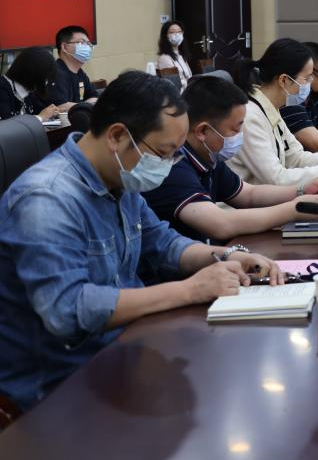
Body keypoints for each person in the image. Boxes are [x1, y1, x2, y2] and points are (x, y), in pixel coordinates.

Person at [0, 71, 283, 410]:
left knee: (235, 379)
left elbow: (163, 243)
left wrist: (227, 256)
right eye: (163, 152)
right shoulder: (46, 199)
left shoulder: (118, 178)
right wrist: (190, 290)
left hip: (126, 351)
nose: (168, 165)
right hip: (60, 387)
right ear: (117, 136)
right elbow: (68, 309)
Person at [142, 76, 318, 243]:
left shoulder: (209, 158)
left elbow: (248, 195)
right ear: (203, 131)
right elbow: (220, 224)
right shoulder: (174, 165)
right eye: (235, 129)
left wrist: (301, 190)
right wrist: (293, 209)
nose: (240, 136)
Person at [228, 38, 318, 186]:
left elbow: (296, 158)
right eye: (307, 78)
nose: (309, 84)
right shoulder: (250, 116)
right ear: (284, 80)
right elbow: (276, 178)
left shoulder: (272, 108)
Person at [45, 25, 98, 108]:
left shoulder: (80, 73)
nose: (87, 47)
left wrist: (84, 106)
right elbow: (60, 106)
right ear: (65, 47)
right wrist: (85, 106)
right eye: (81, 42)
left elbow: (94, 97)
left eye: (88, 43)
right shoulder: (56, 73)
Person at [0, 47, 60, 121]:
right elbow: (7, 124)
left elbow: (40, 110)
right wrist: (40, 117)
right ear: (32, 73)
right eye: (45, 77)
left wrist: (52, 112)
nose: (46, 82)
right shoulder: (2, 89)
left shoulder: (28, 91)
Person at [156, 20, 193, 88]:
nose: (177, 34)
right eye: (172, 32)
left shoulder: (180, 55)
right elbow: (173, 83)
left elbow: (188, 76)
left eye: (179, 31)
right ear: (165, 36)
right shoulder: (165, 58)